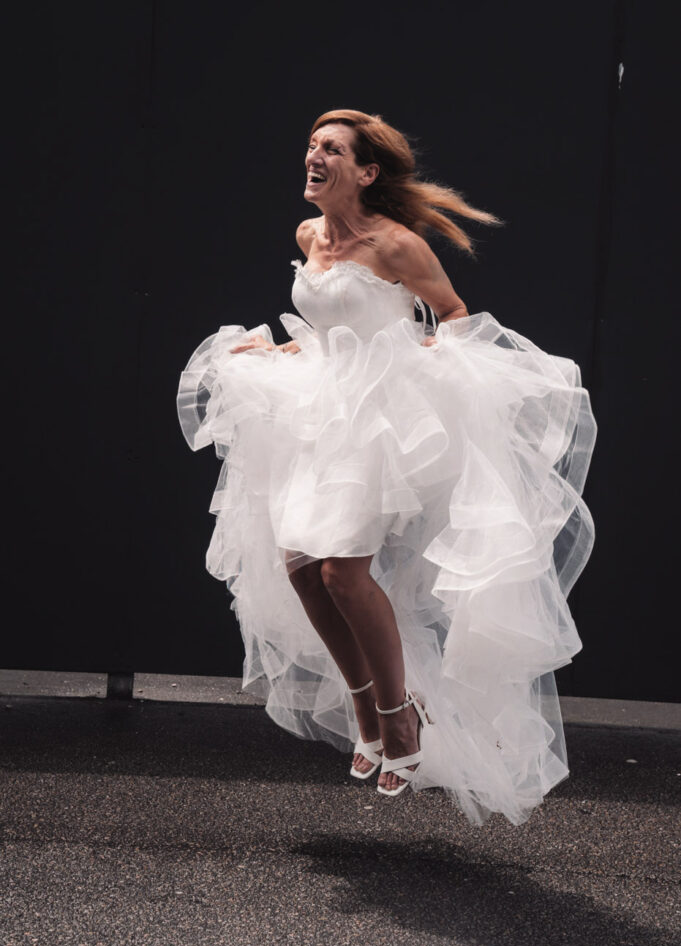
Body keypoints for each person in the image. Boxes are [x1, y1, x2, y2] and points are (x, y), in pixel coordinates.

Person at [177, 109, 597, 826]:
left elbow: (452, 314)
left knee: (343, 570)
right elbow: (331, 332)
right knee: (301, 568)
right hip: (319, 413)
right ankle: (365, 706)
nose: (313, 155)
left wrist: (429, 379)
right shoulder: (309, 235)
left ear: (366, 172)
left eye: (331, 148)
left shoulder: (396, 244)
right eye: (311, 145)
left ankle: (399, 717)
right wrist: (282, 352)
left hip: (381, 424)